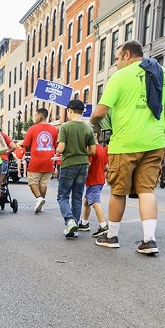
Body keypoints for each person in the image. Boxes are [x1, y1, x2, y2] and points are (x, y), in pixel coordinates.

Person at [90, 40, 165, 255]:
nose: (116, 63)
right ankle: (149, 240)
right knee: (147, 190)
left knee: (119, 191)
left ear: (127, 55)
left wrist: (94, 124)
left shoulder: (119, 77)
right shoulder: (163, 74)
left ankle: (111, 236)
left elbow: (99, 112)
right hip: (155, 141)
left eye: (117, 58)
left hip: (126, 143)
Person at [55, 99, 97, 238]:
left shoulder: (65, 127)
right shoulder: (88, 128)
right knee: (77, 197)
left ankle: (70, 220)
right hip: (83, 164)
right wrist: (82, 152)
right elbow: (93, 151)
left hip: (68, 164)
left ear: (70, 111)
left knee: (62, 196)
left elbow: (60, 149)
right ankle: (75, 228)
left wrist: (57, 149)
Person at [23, 107, 58, 214]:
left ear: (40, 116)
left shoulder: (32, 128)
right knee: (43, 184)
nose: (34, 117)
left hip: (36, 161)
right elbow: (56, 145)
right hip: (49, 161)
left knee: (32, 181)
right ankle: (41, 204)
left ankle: (39, 198)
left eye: (35, 115)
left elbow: (26, 144)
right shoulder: (54, 129)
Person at [79, 142, 109, 238]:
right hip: (99, 179)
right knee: (86, 201)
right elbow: (106, 166)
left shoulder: (91, 149)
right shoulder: (100, 148)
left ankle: (103, 226)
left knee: (95, 202)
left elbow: (87, 164)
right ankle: (84, 223)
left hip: (93, 180)